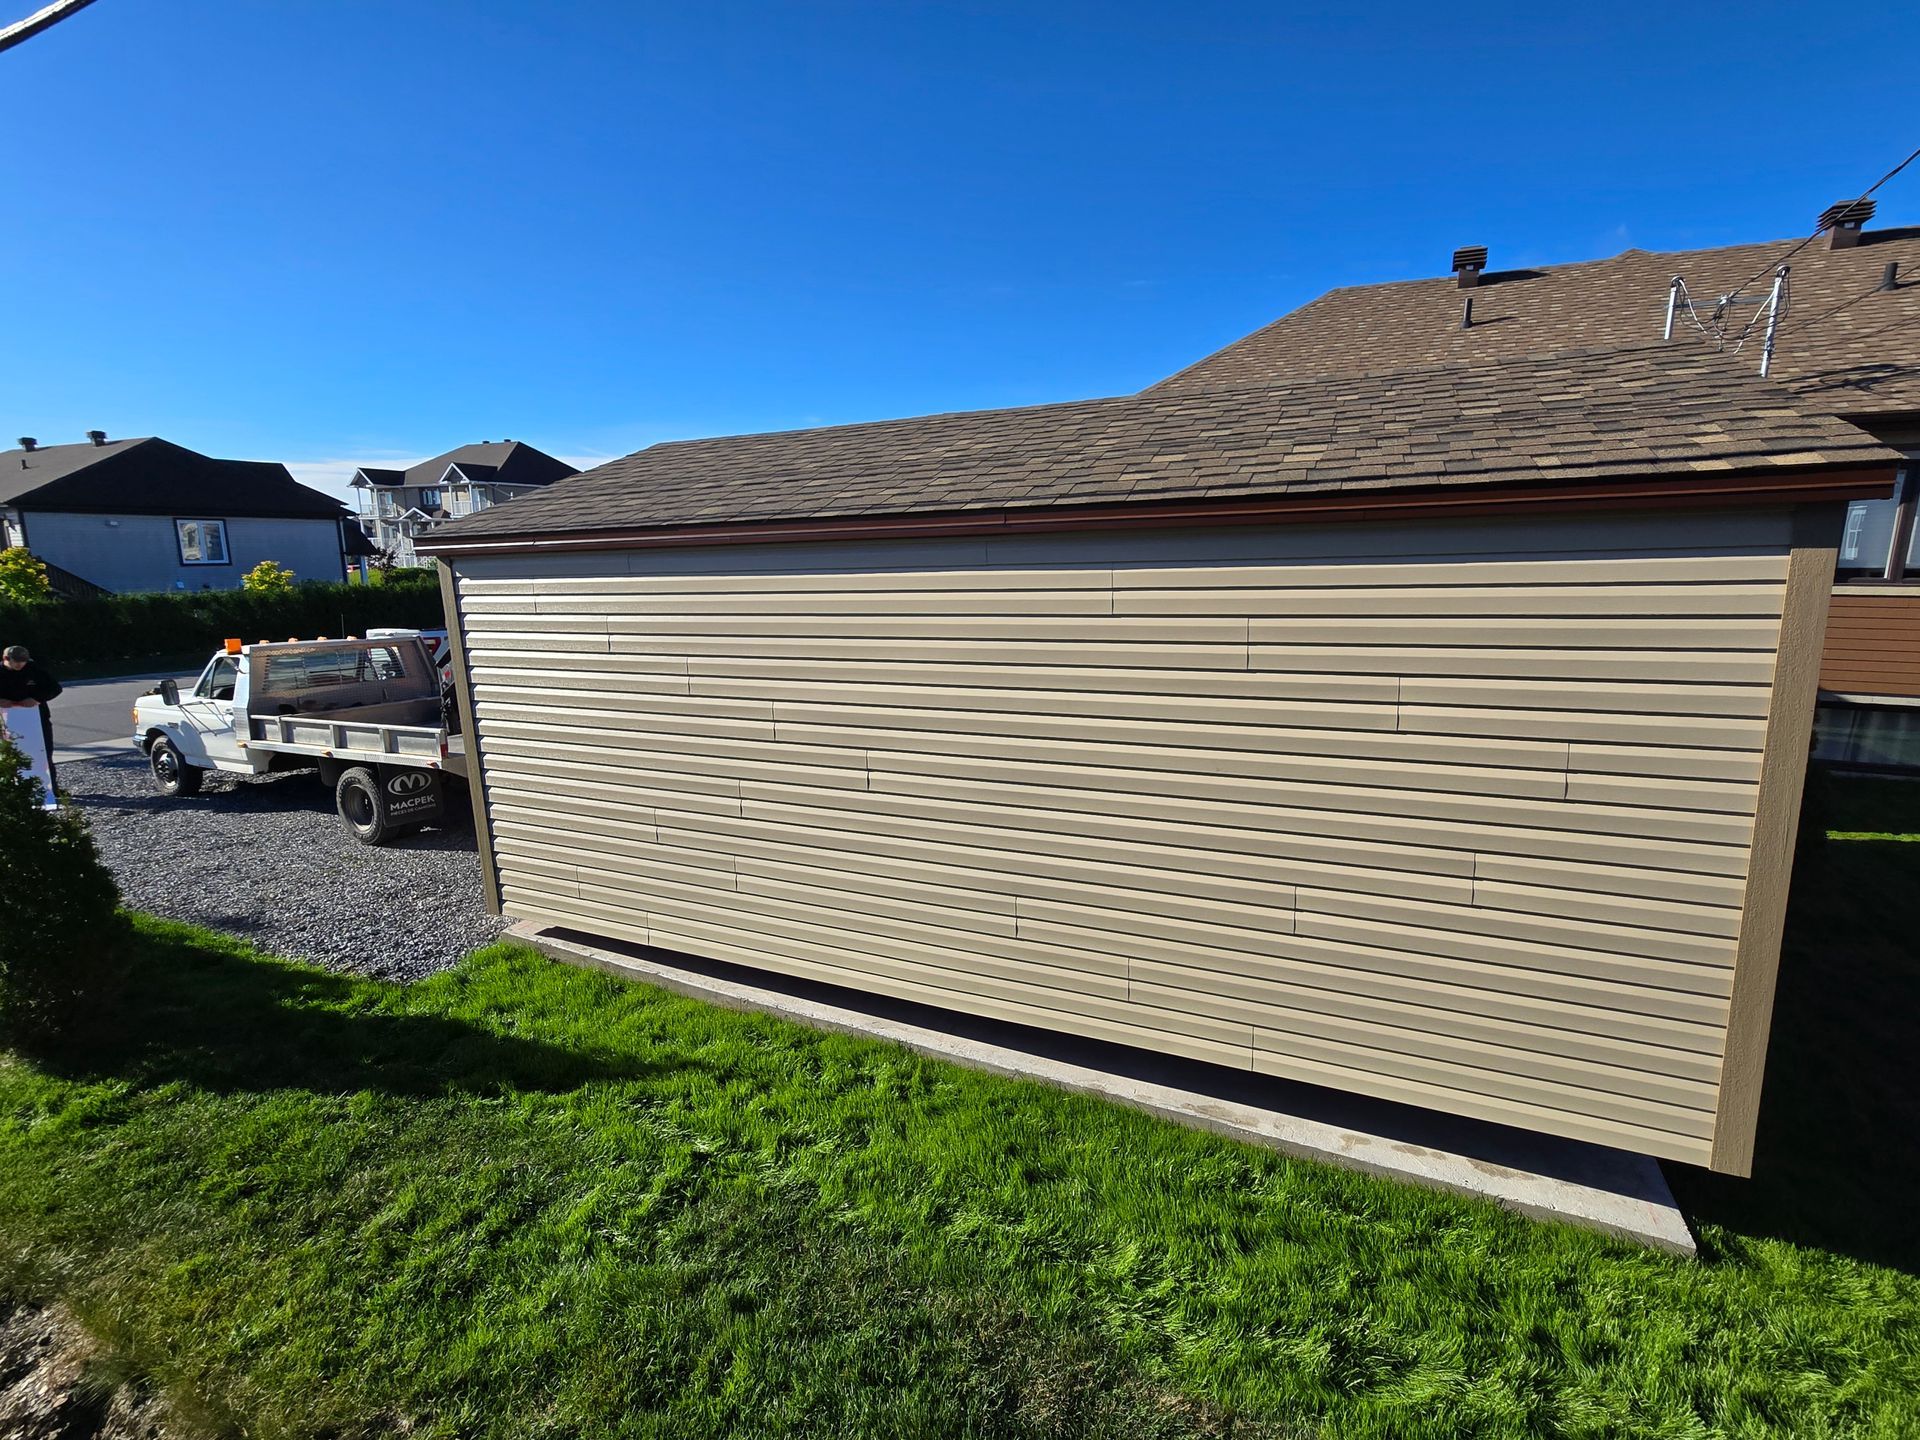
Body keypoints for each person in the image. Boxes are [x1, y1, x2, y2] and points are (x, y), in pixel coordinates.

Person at [0, 644, 63, 792]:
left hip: (37, 718)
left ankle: (50, 789)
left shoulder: (34, 670)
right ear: (6, 659)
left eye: (23, 661)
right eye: (17, 661)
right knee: (9, 756)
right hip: (6, 720)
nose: (20, 664)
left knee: (44, 754)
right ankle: (11, 791)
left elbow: (55, 688)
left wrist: (37, 698)